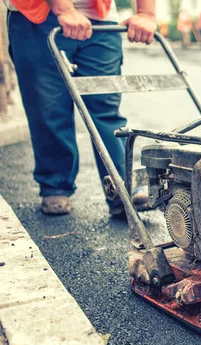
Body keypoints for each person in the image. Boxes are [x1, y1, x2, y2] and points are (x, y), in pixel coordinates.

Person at [5, 0, 156, 217]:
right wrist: (64, 9)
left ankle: (122, 188)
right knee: (48, 107)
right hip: (37, 15)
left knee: (105, 106)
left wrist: (145, 13)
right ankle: (55, 184)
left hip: (100, 20)